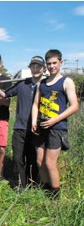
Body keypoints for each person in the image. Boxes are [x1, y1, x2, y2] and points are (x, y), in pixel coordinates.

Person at [0, 56, 46, 189]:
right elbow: (5, 95)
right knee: (18, 158)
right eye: (33, 66)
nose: (36, 69)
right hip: (20, 128)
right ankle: (19, 185)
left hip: (36, 129)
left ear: (43, 69)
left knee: (33, 159)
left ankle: (33, 184)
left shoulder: (46, 86)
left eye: (38, 66)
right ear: (30, 68)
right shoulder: (22, 84)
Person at [31, 49, 78, 197]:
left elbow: (75, 106)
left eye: (54, 63)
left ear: (60, 63)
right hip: (41, 127)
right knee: (40, 161)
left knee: (50, 163)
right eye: (49, 63)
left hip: (57, 128)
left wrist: (55, 120)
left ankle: (55, 195)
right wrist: (34, 120)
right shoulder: (42, 83)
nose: (52, 66)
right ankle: (45, 190)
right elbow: (35, 104)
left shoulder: (66, 82)